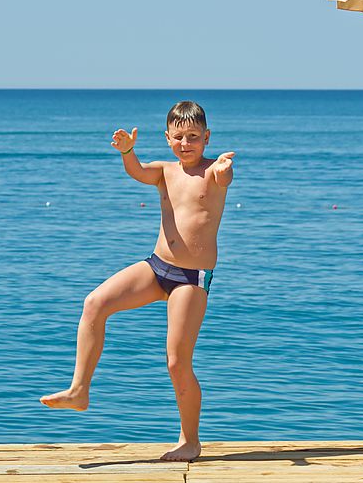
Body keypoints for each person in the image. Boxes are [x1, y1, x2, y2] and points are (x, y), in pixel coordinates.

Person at [40, 100, 235, 462]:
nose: (186, 143)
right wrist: (128, 151)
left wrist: (224, 169)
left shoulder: (213, 172)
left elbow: (224, 179)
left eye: (194, 137)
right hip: (157, 267)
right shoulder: (164, 170)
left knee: (177, 362)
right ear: (167, 138)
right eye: (179, 137)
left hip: (191, 279)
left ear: (207, 138)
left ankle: (190, 440)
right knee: (94, 303)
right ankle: (79, 390)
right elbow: (138, 171)